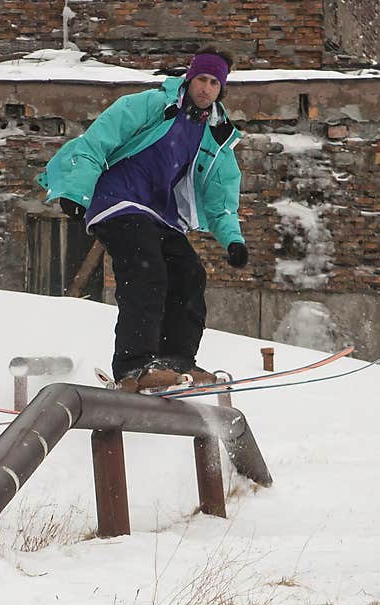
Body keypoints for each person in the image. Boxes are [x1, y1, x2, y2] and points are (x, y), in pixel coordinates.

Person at [38, 47, 248, 391]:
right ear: (189, 79)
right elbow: (98, 139)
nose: (205, 89)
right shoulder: (153, 105)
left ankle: (176, 361)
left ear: (220, 89)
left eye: (213, 83)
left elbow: (220, 198)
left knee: (189, 272)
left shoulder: (217, 134)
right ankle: (134, 366)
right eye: (200, 79)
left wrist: (233, 239)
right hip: (116, 198)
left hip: (157, 211)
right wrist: (76, 192)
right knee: (145, 265)